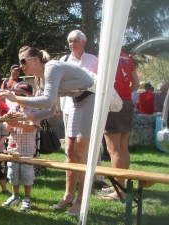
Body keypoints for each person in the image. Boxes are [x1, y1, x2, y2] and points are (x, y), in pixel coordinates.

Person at [0, 46, 95, 216]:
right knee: (70, 151)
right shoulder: (41, 79)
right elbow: (51, 111)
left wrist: (17, 99)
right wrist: (24, 117)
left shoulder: (51, 68)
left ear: (35, 59)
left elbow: (47, 101)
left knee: (80, 151)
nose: (21, 66)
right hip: (77, 101)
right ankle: (68, 196)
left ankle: (81, 200)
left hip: (91, 98)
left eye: (23, 61)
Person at [59, 30, 108, 190]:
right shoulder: (64, 60)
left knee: (92, 143)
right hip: (68, 107)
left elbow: (100, 82)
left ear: (83, 42)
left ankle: (97, 178)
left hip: (88, 107)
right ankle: (74, 178)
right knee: (70, 146)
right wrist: (57, 107)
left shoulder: (93, 60)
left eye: (75, 41)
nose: (72, 44)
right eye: (70, 41)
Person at [101, 51, 139, 201]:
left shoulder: (104, 55)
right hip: (128, 102)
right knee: (123, 147)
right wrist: (124, 94)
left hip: (113, 104)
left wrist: (116, 97)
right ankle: (121, 185)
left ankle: (120, 191)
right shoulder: (126, 57)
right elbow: (136, 82)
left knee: (113, 149)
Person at [2, 82, 39, 211]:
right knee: (13, 172)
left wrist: (17, 124)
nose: (19, 97)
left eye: (22, 95)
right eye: (16, 95)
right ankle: (15, 195)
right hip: (14, 147)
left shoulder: (34, 111)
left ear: (31, 96)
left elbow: (32, 128)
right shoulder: (13, 109)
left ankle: (27, 198)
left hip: (28, 148)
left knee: (27, 173)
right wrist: (8, 122)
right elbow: (7, 128)